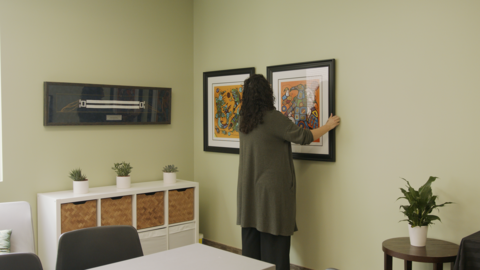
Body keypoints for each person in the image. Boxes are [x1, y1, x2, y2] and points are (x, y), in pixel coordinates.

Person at [237, 74, 340, 270]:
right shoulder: (273, 118)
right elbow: (304, 136)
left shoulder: (243, 119)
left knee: (251, 249)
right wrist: (328, 126)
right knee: (274, 247)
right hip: (271, 191)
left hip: (248, 189)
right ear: (266, 94)